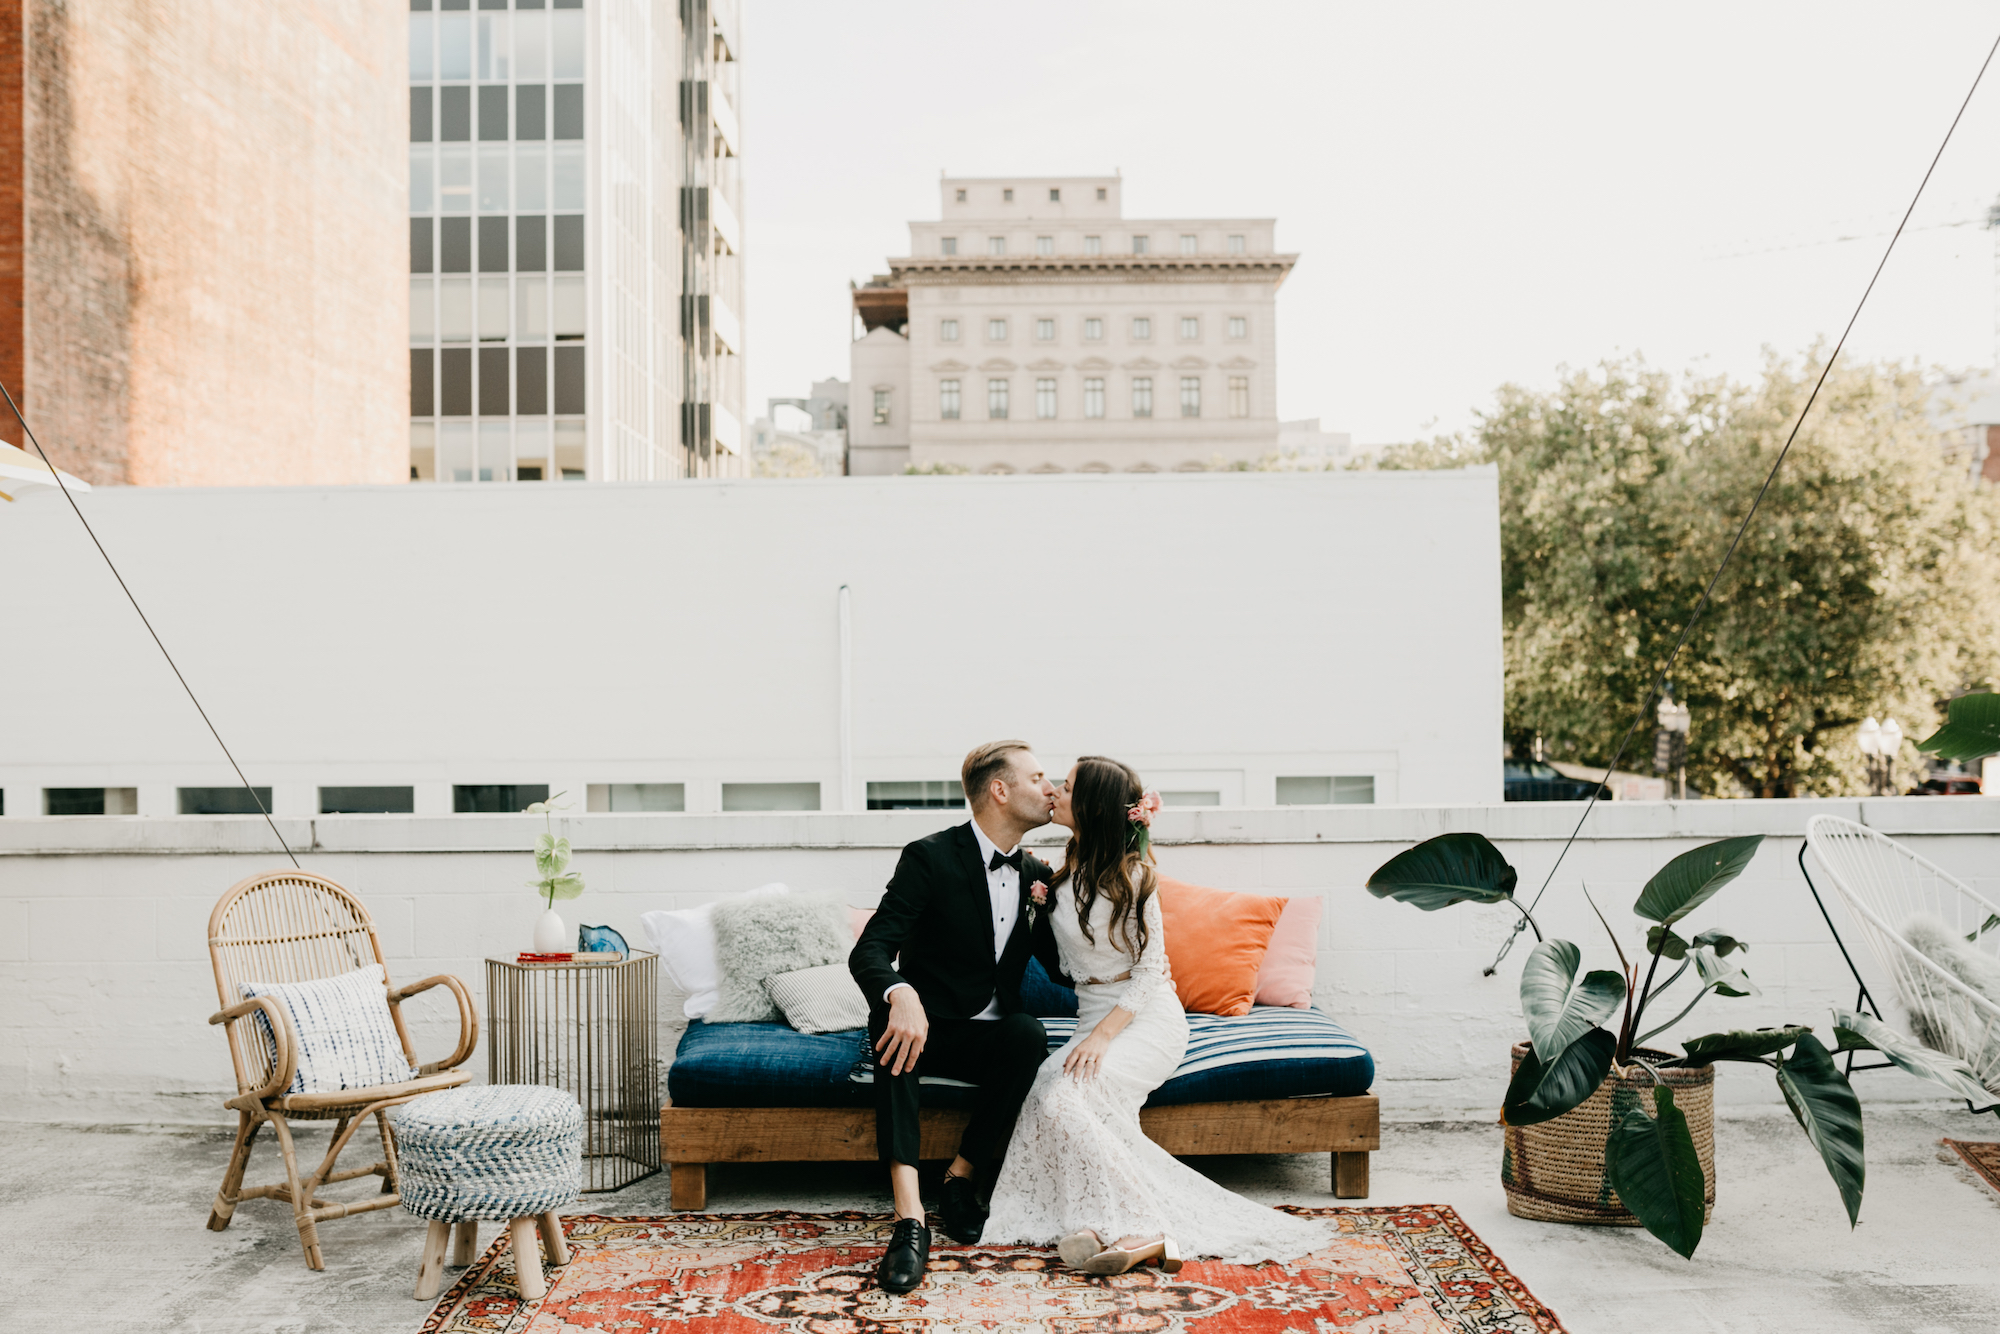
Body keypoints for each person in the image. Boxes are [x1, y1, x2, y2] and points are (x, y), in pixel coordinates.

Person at [982, 756, 1333, 1272]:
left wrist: (1102, 1037)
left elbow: (1151, 973)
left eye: (1069, 785)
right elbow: (1053, 961)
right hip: (1090, 1017)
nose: (1055, 789)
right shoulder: (1054, 880)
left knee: (1066, 1097)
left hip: (1144, 1021)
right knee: (1048, 1090)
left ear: (1095, 806)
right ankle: (1104, 1224)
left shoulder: (1136, 876)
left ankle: (1144, 1225)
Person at [848, 740, 1067, 1294]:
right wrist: (901, 992)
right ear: (1000, 789)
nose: (1049, 788)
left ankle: (960, 1179)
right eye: (1038, 777)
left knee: (1027, 1032)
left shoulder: (1037, 873)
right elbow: (870, 949)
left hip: (994, 1036)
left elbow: (1065, 967)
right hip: (930, 1026)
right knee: (889, 1027)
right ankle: (910, 1219)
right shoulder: (929, 856)